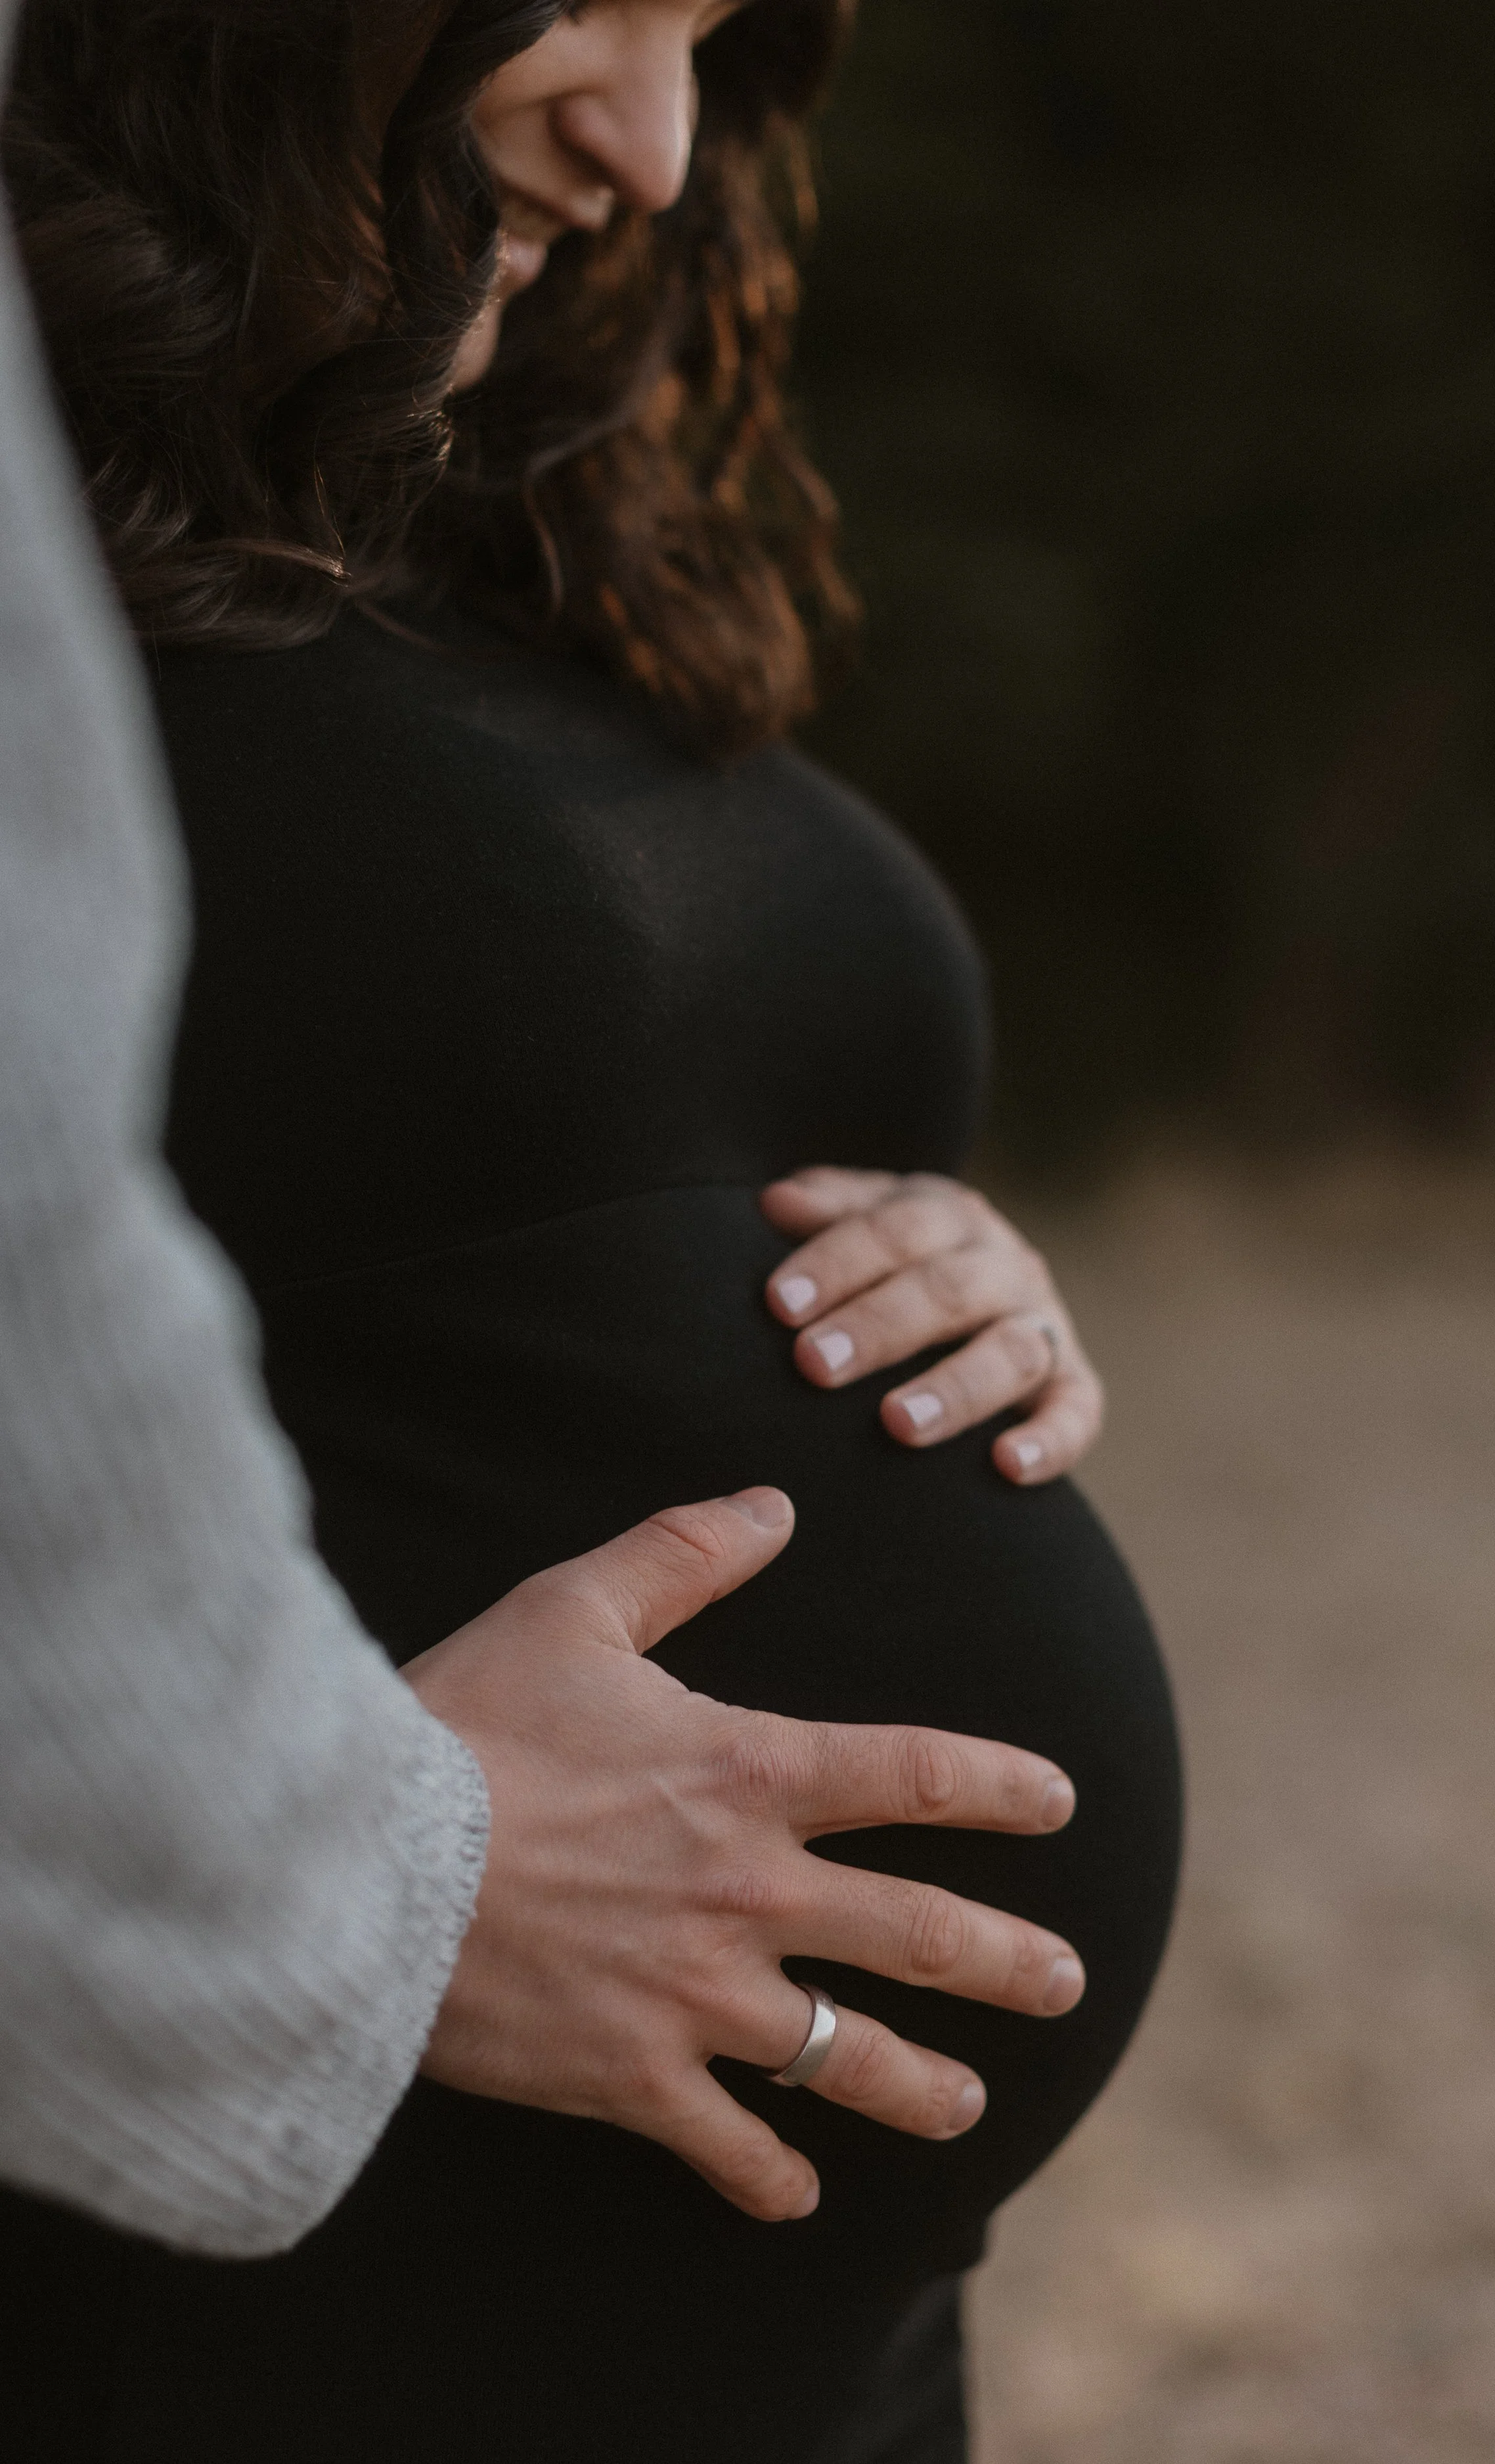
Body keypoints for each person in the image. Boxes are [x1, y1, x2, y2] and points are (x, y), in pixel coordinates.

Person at [3, 2, 1182, 2458]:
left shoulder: (433, 510)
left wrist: (916, 1258)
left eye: (712, 33)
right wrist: (360, 1871)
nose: (647, 142)